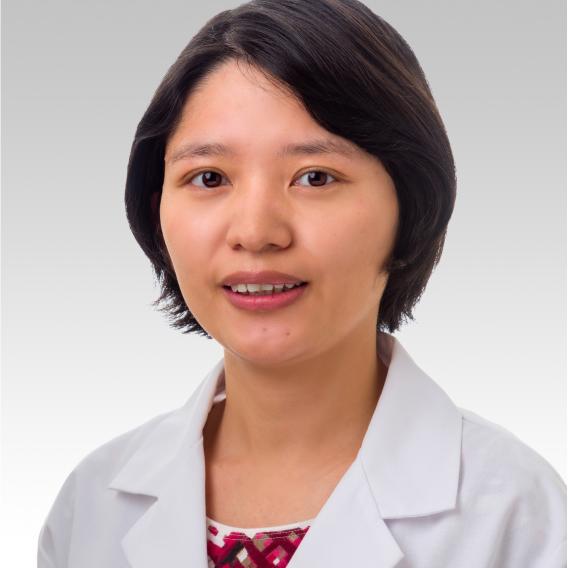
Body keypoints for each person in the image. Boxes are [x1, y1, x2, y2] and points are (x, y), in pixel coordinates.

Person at [37, 1, 566, 566]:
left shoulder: (517, 516)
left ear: (410, 205)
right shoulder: (90, 508)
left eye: (315, 177)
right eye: (209, 178)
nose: (256, 232)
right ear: (156, 209)